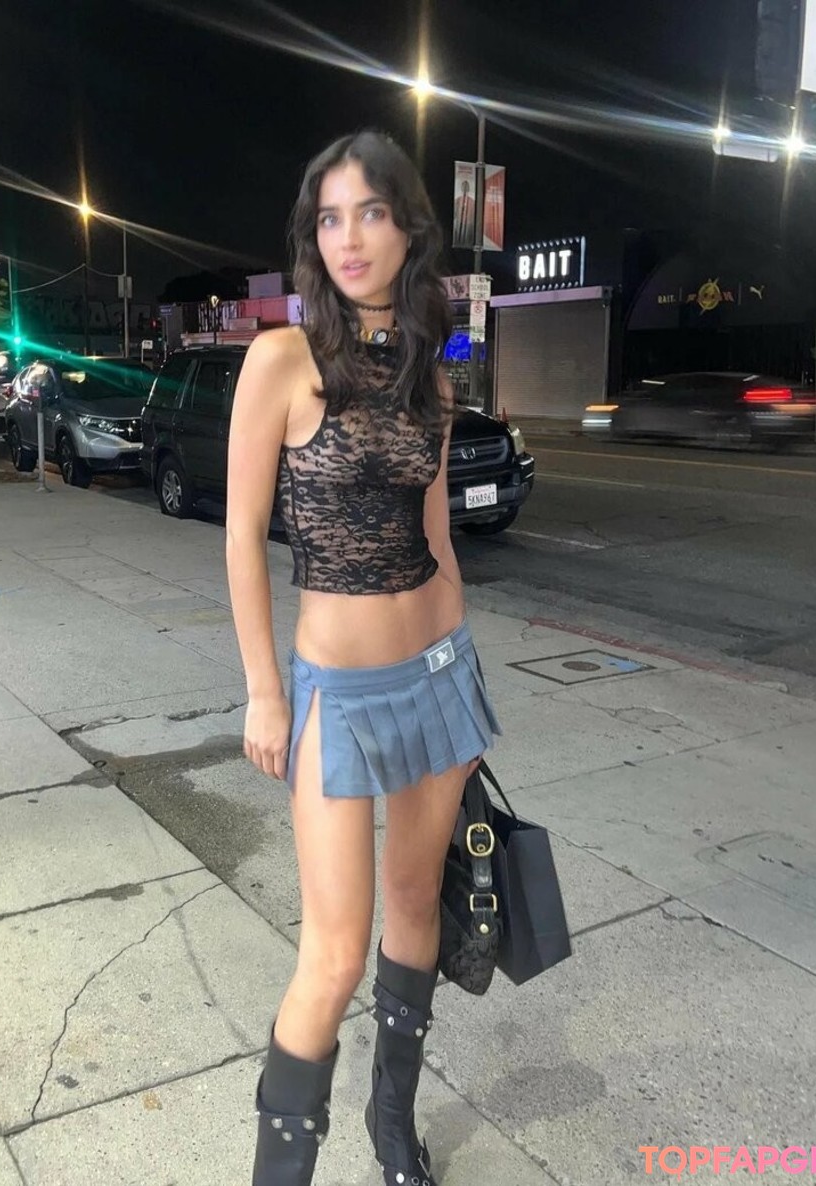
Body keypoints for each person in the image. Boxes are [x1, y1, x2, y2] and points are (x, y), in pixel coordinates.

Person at [226, 129, 501, 1186]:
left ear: (408, 229)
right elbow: (241, 537)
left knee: (417, 907)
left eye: (371, 213)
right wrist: (265, 690)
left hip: (436, 679)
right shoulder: (281, 360)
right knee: (334, 954)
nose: (349, 237)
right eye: (330, 217)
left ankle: (394, 1130)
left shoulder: (434, 374)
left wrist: (460, 657)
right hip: (335, 696)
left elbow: (435, 532)